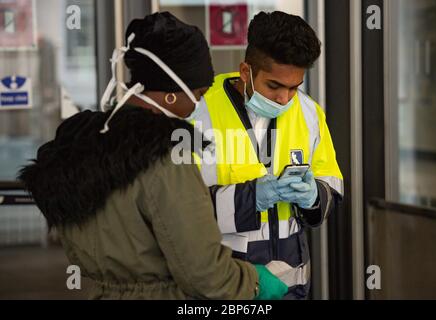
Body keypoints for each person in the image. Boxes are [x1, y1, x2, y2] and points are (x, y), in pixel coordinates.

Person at [18, 12, 288, 300]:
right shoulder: (166, 157)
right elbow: (206, 275)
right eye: (198, 93)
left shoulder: (81, 146)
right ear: (171, 94)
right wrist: (255, 282)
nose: (199, 103)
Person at [193, 11, 344, 299]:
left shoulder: (310, 113)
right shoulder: (199, 112)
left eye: (294, 88)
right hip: (223, 288)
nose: (284, 99)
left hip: (291, 289)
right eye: (274, 86)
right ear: (245, 71)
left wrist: (314, 196)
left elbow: (332, 187)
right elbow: (176, 210)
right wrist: (253, 198)